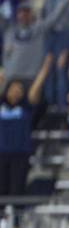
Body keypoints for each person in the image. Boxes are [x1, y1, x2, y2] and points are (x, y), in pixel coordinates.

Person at [0, 56, 50, 200]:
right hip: (1, 154)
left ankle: (16, 214)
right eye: (13, 88)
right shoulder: (2, 105)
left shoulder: (26, 109)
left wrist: (44, 71)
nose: (16, 91)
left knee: (17, 191)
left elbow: (35, 92)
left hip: (20, 154)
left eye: (19, 89)